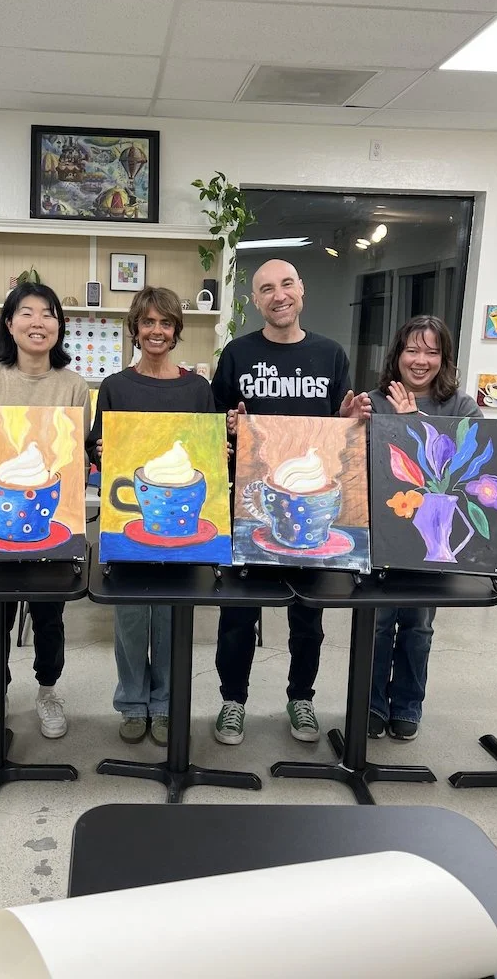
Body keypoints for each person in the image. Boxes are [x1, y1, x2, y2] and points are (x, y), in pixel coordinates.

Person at [211, 259, 371, 746]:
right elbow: (216, 425)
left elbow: (339, 430)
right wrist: (230, 426)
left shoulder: (330, 354)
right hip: (252, 505)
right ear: (255, 301)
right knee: (238, 613)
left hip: (313, 505)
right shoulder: (237, 354)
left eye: (286, 284)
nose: (278, 295)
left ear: (301, 290)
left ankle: (301, 697)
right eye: (266, 289)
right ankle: (232, 702)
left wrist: (345, 418)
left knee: (309, 613)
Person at [368, 315, 497, 740]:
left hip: (435, 541)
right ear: (397, 355)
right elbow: (363, 468)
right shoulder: (375, 400)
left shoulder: (462, 406)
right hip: (385, 537)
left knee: (418, 624)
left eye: (431, 352)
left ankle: (408, 706)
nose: (421, 361)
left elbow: (485, 479)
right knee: (378, 623)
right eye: (412, 350)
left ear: (444, 358)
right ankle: (371, 706)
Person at [87, 286, 215, 746]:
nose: (156, 331)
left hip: (182, 524)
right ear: (135, 330)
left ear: (177, 330)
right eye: (148, 323)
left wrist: (221, 448)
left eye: (166, 323)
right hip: (128, 523)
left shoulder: (198, 389)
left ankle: (164, 705)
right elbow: (97, 449)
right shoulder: (116, 387)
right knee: (131, 616)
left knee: (171, 613)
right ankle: (132, 702)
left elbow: (209, 453)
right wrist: (100, 449)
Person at [0, 281, 89, 743]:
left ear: (60, 325)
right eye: (27, 313)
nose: (38, 322)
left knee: (49, 614)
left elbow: (77, 457)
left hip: (52, 516)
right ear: (9, 323)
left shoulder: (74, 385)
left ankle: (47, 690)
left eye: (48, 314)